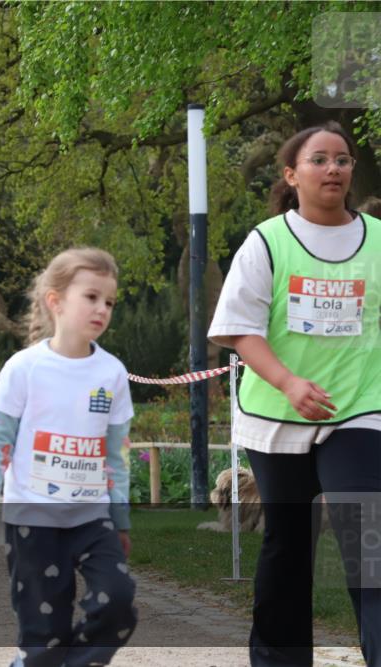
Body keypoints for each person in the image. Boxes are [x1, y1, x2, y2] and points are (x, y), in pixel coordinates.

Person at [208, 122, 380, 667]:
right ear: (292, 174)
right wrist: (288, 382)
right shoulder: (266, 242)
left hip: (360, 408)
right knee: (288, 544)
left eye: (343, 160)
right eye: (320, 160)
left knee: (366, 535)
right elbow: (239, 330)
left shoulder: (378, 240)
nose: (334, 169)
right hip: (278, 413)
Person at [0, 247, 137, 667]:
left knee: (117, 605)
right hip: (33, 522)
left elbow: (117, 455)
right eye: (92, 297)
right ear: (56, 300)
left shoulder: (113, 373)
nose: (102, 309)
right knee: (44, 641)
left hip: (92, 518)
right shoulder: (24, 368)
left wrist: (120, 519)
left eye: (110, 302)